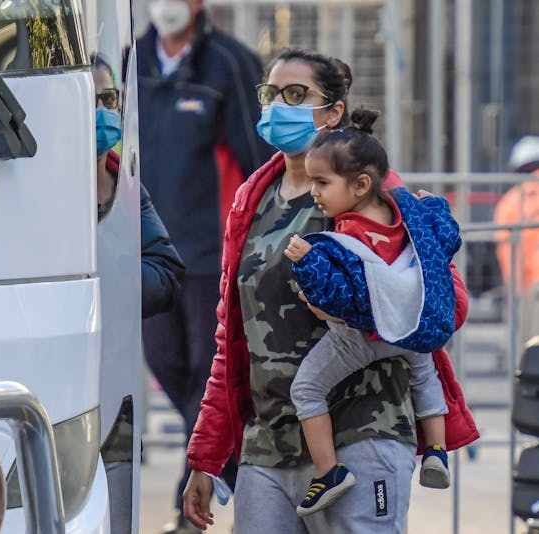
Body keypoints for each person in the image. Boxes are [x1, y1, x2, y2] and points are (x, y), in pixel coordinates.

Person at [181, 48, 479, 534]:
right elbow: (232, 341)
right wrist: (206, 456)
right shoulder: (251, 201)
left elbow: (445, 304)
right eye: (270, 94)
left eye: (296, 94)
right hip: (268, 447)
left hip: (362, 432)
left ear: (334, 111)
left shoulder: (369, 193)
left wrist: (350, 298)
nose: (279, 105)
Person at [137, 1, 273, 530]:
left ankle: (190, 503)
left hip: (210, 253)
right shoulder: (136, 60)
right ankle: (233, 468)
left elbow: (258, 159)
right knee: (168, 361)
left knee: (208, 374)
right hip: (149, 252)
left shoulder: (230, 63)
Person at [284, 109, 461, 517]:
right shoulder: (406, 215)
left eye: (322, 183)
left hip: (361, 339)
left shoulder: (348, 233)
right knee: (426, 374)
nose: (314, 192)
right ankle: (435, 450)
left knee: (307, 389)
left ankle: (329, 472)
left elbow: (343, 296)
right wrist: (432, 205)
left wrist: (308, 258)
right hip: (411, 327)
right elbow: (446, 239)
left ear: (360, 184)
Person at [92, 57, 186, 534]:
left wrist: (102, 282)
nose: (101, 111)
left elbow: (167, 274)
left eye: (108, 99)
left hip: (116, 409)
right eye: (88, 100)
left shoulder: (127, 187)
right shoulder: (29, 191)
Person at [494, 136, 539, 341]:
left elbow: (508, 253)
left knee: (529, 346)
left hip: (530, 284)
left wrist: (512, 289)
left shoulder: (512, 200)